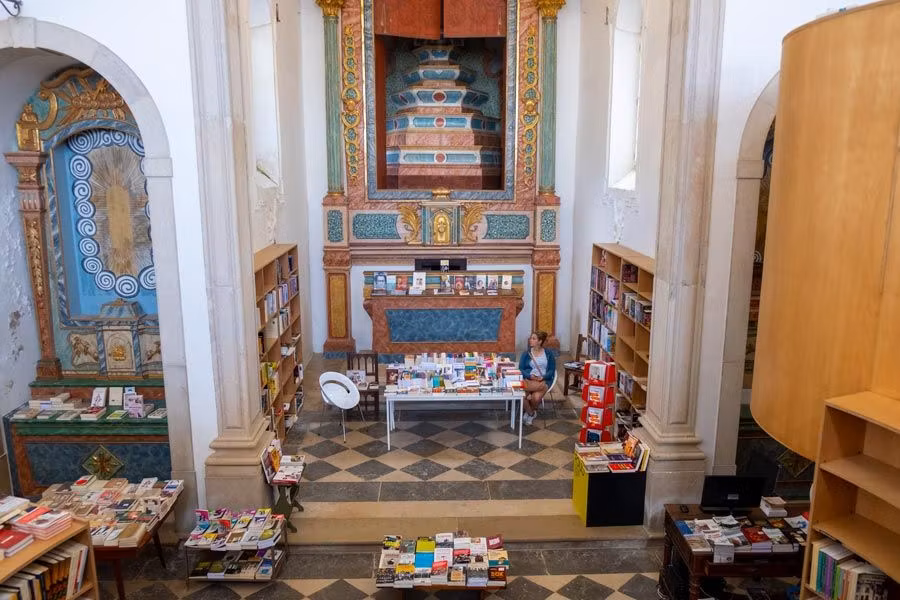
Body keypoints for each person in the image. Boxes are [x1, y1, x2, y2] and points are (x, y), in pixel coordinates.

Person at [518, 331, 556, 425]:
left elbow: (552, 370)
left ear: (540, 341)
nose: (530, 340)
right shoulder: (526, 353)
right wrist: (529, 375)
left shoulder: (549, 354)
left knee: (536, 397)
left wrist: (543, 377)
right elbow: (521, 368)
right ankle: (531, 413)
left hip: (543, 380)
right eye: (531, 338)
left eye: (533, 338)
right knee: (521, 396)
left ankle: (528, 411)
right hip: (529, 380)